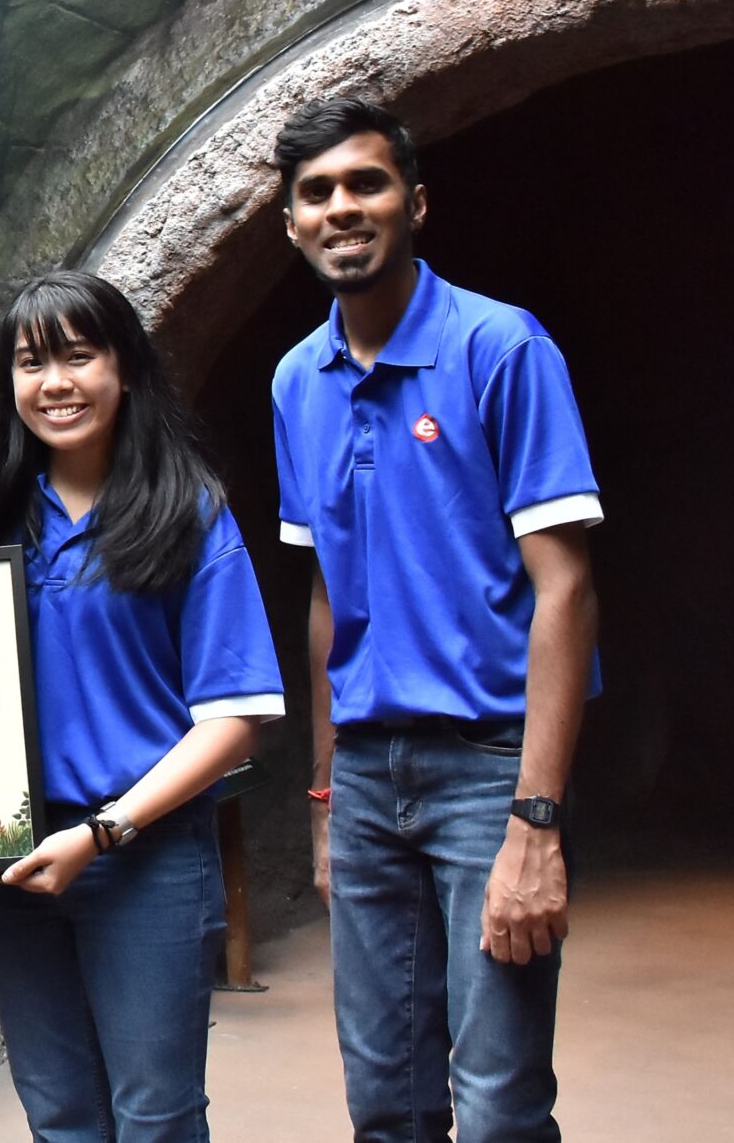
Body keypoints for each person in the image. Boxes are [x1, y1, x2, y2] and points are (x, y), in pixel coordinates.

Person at [269, 97, 601, 1143]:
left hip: (486, 767)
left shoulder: (500, 348)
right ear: (289, 223)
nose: (340, 208)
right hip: (366, 778)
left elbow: (566, 588)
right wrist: (323, 798)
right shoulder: (295, 381)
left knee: (499, 1105)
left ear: (414, 202)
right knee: (386, 1104)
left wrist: (535, 824)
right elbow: (326, 596)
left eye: (364, 183)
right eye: (315, 193)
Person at [0, 270, 284, 1143]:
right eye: (30, 362)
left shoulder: (188, 512)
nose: (53, 382)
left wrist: (104, 832)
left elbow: (236, 713)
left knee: (156, 1114)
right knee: (59, 1112)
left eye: (77, 355)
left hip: (146, 857)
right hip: (13, 860)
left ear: (125, 366)